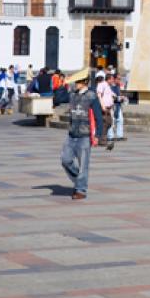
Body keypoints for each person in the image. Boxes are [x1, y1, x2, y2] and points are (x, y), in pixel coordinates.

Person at [61, 68, 103, 200]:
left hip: (85, 135)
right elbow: (59, 97)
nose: (76, 84)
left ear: (85, 82)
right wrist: (62, 86)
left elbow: (98, 117)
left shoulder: (92, 96)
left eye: (78, 82)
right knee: (65, 160)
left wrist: (98, 135)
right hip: (71, 134)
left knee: (83, 165)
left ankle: (81, 190)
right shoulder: (72, 94)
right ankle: (79, 181)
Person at [96, 74, 116, 150]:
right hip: (104, 108)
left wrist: (116, 96)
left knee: (109, 123)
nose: (113, 81)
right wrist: (102, 106)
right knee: (105, 123)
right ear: (109, 79)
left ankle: (102, 138)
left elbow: (111, 94)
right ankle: (102, 140)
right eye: (112, 79)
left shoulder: (108, 86)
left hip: (109, 108)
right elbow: (99, 95)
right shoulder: (102, 85)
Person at [110, 73, 126, 140]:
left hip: (118, 105)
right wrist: (119, 98)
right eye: (118, 79)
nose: (120, 80)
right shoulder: (110, 86)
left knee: (120, 120)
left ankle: (120, 135)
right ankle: (110, 136)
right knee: (112, 121)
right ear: (114, 79)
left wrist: (122, 98)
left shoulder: (118, 86)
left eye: (120, 79)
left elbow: (118, 94)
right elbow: (112, 96)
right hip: (112, 105)